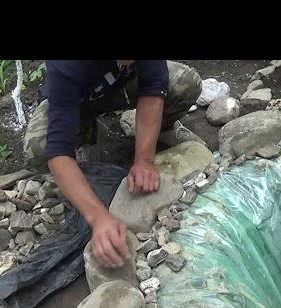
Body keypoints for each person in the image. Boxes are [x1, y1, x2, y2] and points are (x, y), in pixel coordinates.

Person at [22, 60, 202, 269]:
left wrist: (144, 160)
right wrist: (98, 217)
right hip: (76, 98)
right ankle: (88, 130)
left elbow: (153, 87)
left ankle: (159, 129)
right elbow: (58, 150)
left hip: (120, 85)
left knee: (185, 83)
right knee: (38, 150)